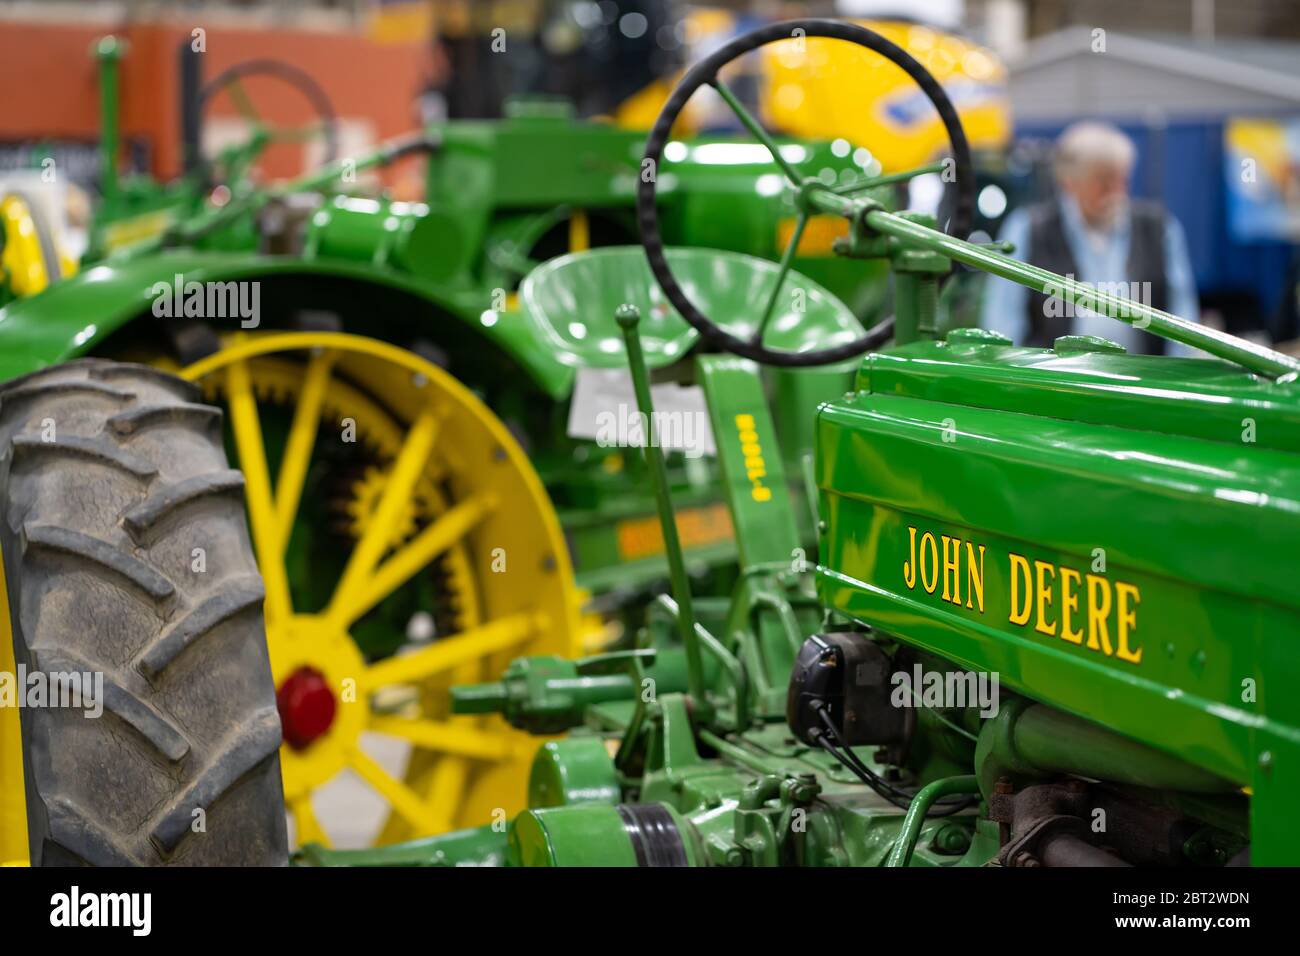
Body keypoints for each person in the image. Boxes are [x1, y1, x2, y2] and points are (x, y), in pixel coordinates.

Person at [981, 121, 1200, 354]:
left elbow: (1182, 319)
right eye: (1104, 182)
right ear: (1070, 182)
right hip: (1058, 385)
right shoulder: (1028, 230)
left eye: (1122, 180)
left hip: (1142, 383)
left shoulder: (1159, 229)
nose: (1117, 192)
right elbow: (1003, 321)